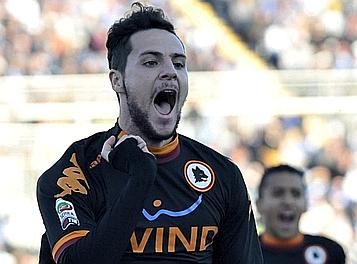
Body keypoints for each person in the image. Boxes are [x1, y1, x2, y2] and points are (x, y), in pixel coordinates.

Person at [36, 2, 263, 263]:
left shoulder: (223, 175)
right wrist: (141, 176)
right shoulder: (75, 172)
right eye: (151, 62)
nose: (169, 72)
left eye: (178, 64)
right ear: (117, 80)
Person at [256, 164, 346, 264]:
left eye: (296, 194)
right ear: (259, 204)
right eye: (278, 193)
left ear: (306, 204)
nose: (288, 201)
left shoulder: (331, 252)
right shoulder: (243, 254)